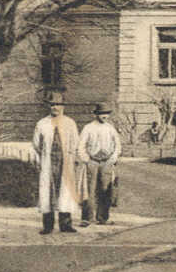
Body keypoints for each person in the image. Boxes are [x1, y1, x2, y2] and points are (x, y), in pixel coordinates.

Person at [31, 88, 81, 234]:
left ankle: (66, 225)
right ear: (49, 106)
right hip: (48, 162)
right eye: (52, 104)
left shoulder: (70, 123)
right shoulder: (42, 124)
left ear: (63, 106)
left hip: (65, 162)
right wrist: (38, 161)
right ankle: (48, 225)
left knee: (65, 192)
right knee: (48, 192)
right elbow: (36, 145)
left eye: (58, 104)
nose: (55, 107)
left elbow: (76, 143)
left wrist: (75, 160)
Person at [78, 102, 122, 227]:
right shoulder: (88, 128)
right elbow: (81, 146)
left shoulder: (110, 128)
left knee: (105, 189)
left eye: (106, 114)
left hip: (106, 162)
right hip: (92, 160)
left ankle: (103, 217)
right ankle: (87, 218)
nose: (104, 116)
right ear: (96, 114)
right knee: (89, 189)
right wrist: (86, 159)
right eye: (102, 113)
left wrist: (112, 159)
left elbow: (117, 146)